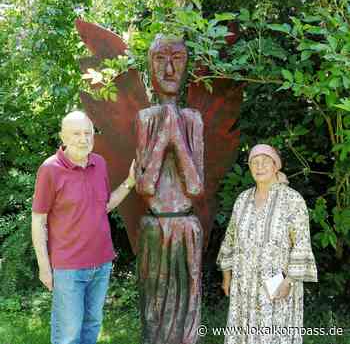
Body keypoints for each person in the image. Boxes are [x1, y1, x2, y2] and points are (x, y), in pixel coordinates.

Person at [31, 110, 136, 344]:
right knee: (68, 334)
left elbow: (104, 205)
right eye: (76, 133)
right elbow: (38, 220)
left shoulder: (99, 163)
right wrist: (44, 267)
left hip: (101, 263)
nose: (83, 139)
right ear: (63, 137)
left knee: (92, 327)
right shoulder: (50, 169)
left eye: (88, 133)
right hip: (68, 268)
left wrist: (130, 182)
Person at [135, 35, 204, 344]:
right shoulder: (146, 118)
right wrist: (167, 132)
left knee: (188, 312)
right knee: (154, 312)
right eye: (160, 60)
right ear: (150, 66)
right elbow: (146, 185)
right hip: (155, 227)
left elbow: (195, 186)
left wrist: (176, 132)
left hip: (186, 225)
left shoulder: (192, 120)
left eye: (177, 59)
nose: (169, 70)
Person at [217, 144, 318, 344]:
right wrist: (226, 275)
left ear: (275, 166)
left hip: (277, 284)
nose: (259, 166)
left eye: (265, 162)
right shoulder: (242, 200)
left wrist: (288, 281)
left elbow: (302, 243)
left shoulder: (292, 199)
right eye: (255, 162)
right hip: (243, 284)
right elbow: (230, 238)